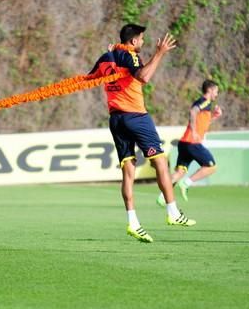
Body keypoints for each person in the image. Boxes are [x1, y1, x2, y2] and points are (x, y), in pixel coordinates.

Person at [90, 23, 196, 243]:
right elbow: (144, 77)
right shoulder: (131, 56)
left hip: (116, 120)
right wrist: (159, 53)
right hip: (136, 118)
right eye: (142, 39)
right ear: (134, 41)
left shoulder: (105, 57)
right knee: (160, 162)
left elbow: (90, 79)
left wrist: (110, 57)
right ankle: (173, 213)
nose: (144, 43)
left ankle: (133, 223)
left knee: (128, 171)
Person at [157, 79, 222, 206]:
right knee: (211, 167)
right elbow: (193, 111)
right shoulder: (205, 102)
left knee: (179, 172)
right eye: (216, 91)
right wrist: (193, 131)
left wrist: (214, 116)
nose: (217, 94)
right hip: (192, 143)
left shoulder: (206, 105)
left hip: (184, 143)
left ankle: (162, 196)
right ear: (210, 90)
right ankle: (186, 183)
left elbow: (202, 123)